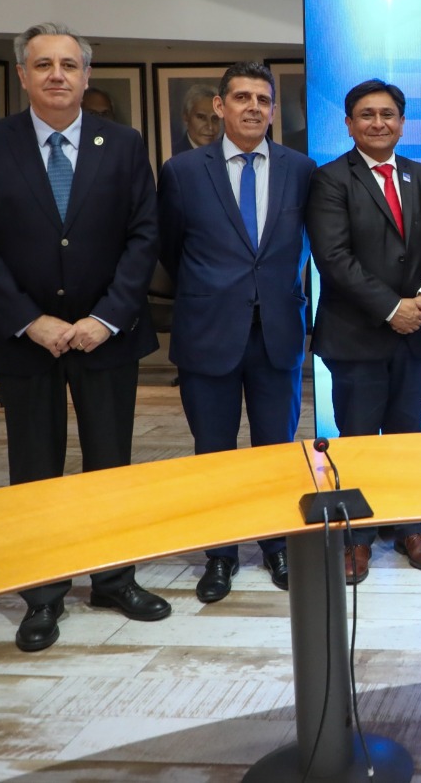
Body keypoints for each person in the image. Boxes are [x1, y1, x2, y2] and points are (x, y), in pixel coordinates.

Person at [0, 23, 167, 652]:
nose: (57, 75)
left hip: (107, 336)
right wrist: (30, 319)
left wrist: (106, 317)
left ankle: (113, 579)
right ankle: (43, 594)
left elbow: (143, 236)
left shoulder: (122, 144)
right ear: (22, 75)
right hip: (24, 339)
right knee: (35, 467)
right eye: (43, 64)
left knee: (110, 465)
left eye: (69, 64)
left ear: (86, 75)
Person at [157, 62, 315, 603]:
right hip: (208, 331)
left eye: (263, 100)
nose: (253, 107)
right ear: (220, 106)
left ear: (273, 110)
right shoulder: (182, 171)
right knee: (214, 451)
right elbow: (170, 249)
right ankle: (220, 554)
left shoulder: (300, 169)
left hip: (278, 331)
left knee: (276, 449)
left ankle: (275, 544)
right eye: (242, 98)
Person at [308, 79, 421, 582]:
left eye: (388, 114)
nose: (378, 123)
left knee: (408, 436)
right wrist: (392, 308)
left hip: (417, 334)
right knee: (359, 440)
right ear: (349, 124)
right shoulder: (330, 179)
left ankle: (410, 528)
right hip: (356, 337)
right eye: (366, 115)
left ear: (402, 123)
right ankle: (358, 538)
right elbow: (333, 258)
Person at [174, 83, 221, 155]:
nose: (210, 127)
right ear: (186, 118)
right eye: (202, 117)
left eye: (215, 118)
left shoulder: (226, 154)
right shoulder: (173, 155)